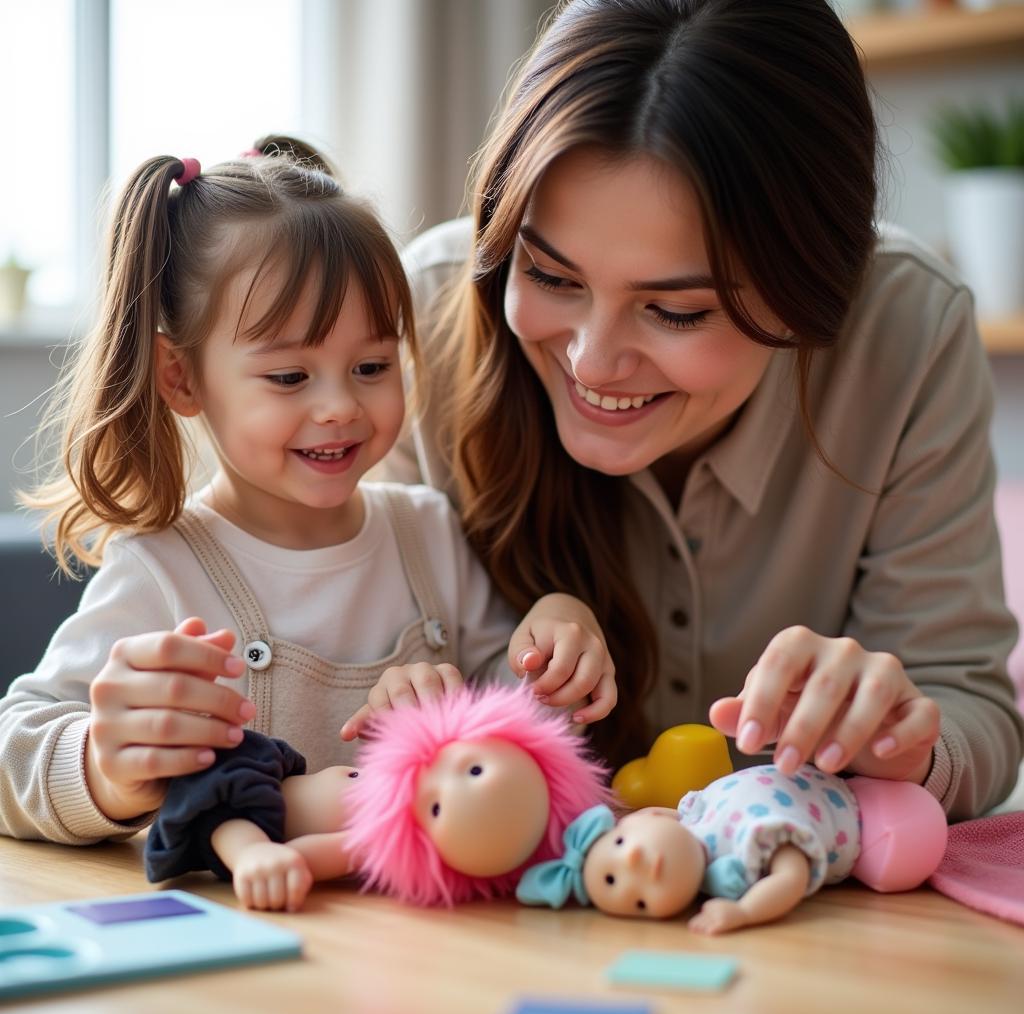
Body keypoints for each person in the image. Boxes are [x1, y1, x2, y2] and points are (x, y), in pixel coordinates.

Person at [383, 0, 1023, 820]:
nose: (591, 360)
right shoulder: (422, 312)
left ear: (810, 295)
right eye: (550, 276)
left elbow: (974, 712)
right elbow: (343, 679)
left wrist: (904, 739)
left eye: (675, 312)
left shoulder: (907, 329)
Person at [0, 137, 617, 878]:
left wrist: (554, 633)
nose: (339, 407)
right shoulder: (162, 567)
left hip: (424, 952)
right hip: (246, 957)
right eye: (290, 375)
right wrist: (104, 765)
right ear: (181, 378)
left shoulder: (426, 532)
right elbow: (14, 755)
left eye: (371, 367)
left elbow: (521, 739)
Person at [515, 763, 948, 934]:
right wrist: (743, 912)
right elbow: (791, 876)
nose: (633, 863)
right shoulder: (742, 856)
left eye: (622, 841)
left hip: (860, 779)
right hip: (886, 834)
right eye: (640, 901)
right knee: (909, 852)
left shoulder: (693, 814)